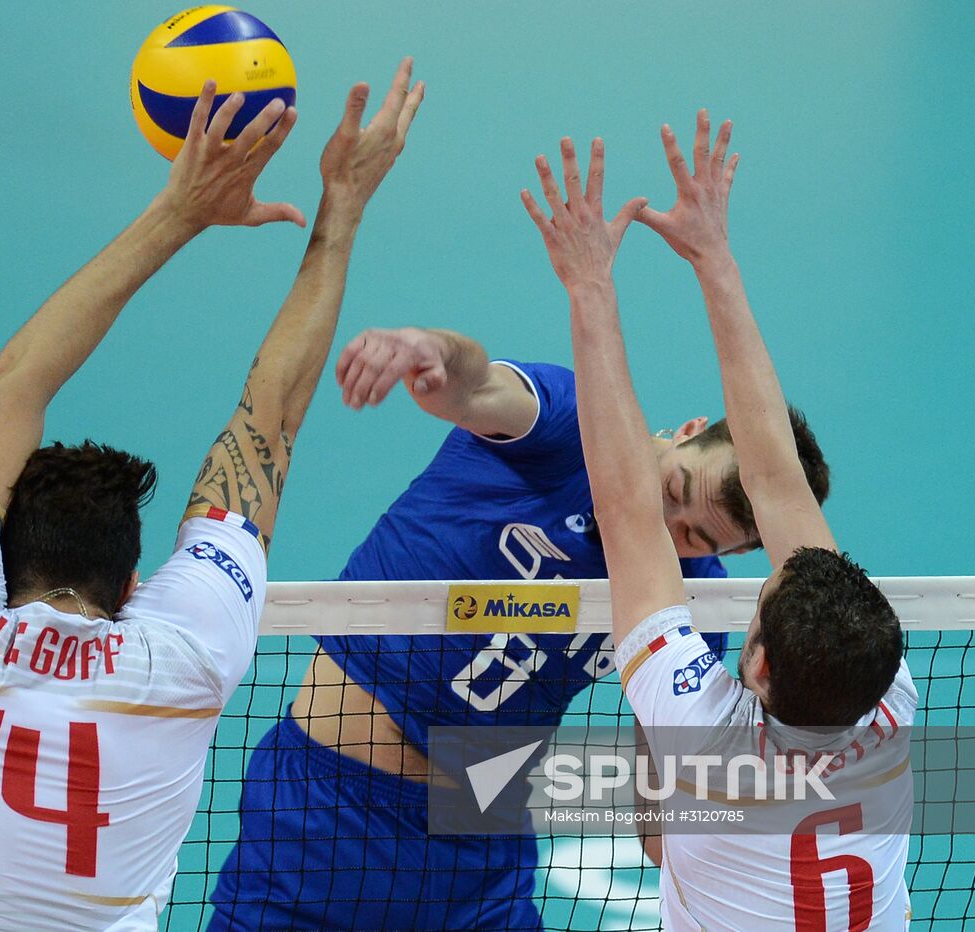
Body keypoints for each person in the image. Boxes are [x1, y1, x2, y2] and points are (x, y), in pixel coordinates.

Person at [0, 60, 424, 931]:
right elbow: (269, 424)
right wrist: (339, 207)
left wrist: (176, 213)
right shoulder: (177, 663)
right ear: (130, 590)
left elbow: (13, 388)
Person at [208, 190, 831, 929]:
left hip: (478, 855)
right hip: (321, 823)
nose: (663, 528)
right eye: (675, 490)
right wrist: (432, 350)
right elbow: (478, 385)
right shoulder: (567, 428)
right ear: (687, 430)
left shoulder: (695, 605)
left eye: (696, 537)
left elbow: (661, 822)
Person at [520, 112, 913, 929]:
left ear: (759, 666)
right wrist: (709, 259)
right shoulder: (881, 702)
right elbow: (771, 480)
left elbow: (630, 512)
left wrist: (596, 283)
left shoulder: (705, 728)